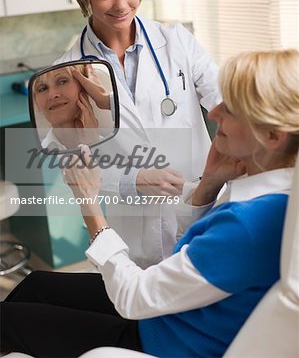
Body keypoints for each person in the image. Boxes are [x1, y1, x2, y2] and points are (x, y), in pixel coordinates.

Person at [2, 49, 298, 358]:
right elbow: (186, 256)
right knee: (35, 284)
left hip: (163, 340)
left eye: (232, 109)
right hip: (174, 314)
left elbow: (133, 298)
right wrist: (208, 184)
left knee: (7, 321)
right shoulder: (269, 197)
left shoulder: (248, 222)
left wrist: (88, 204)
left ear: (273, 136)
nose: (213, 113)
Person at [54, 0, 221, 267]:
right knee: (137, 311)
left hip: (196, 211)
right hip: (132, 234)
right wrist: (132, 181)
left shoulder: (177, 43)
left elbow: (226, 104)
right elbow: (71, 164)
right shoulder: (65, 73)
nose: (122, 5)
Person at [33, 63, 110, 150]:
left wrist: (93, 144)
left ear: (85, 88)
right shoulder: (38, 154)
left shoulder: (115, 149)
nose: (52, 95)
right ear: (36, 102)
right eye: (42, 88)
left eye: (62, 82)